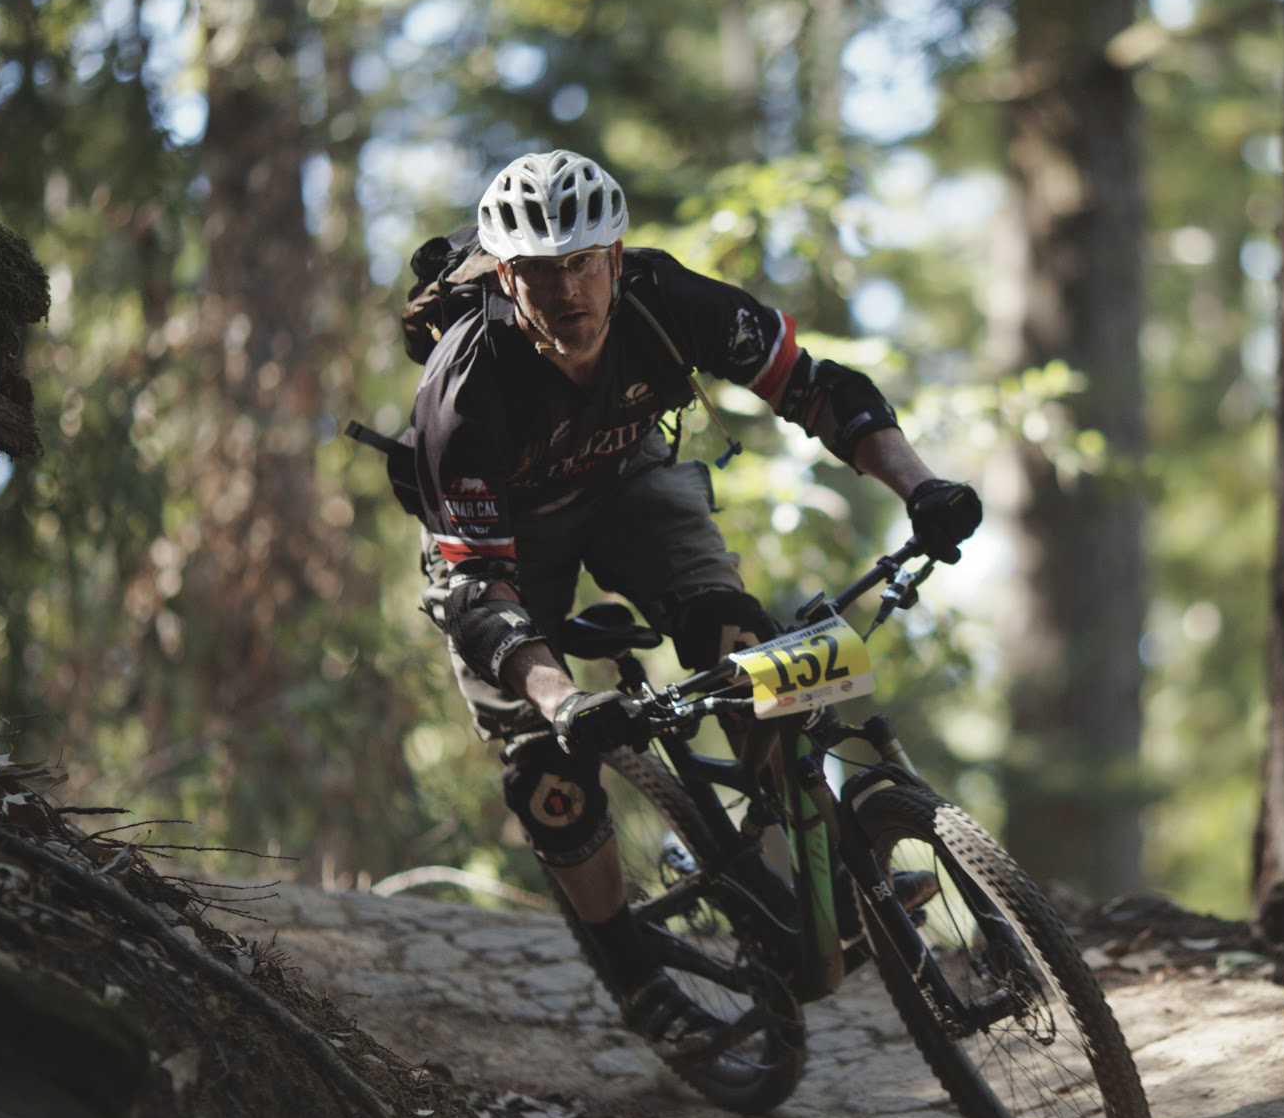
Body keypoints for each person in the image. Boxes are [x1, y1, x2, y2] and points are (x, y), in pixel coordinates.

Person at [407, 149, 981, 1061]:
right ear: (504, 275)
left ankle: (835, 863)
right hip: (510, 545)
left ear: (617, 254)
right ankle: (635, 976)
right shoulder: (463, 387)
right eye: (543, 271)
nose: (569, 290)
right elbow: (477, 588)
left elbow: (820, 386)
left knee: (744, 643)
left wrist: (921, 488)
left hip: (630, 484)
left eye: (585, 262)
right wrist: (562, 701)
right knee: (544, 774)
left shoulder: (666, 299)